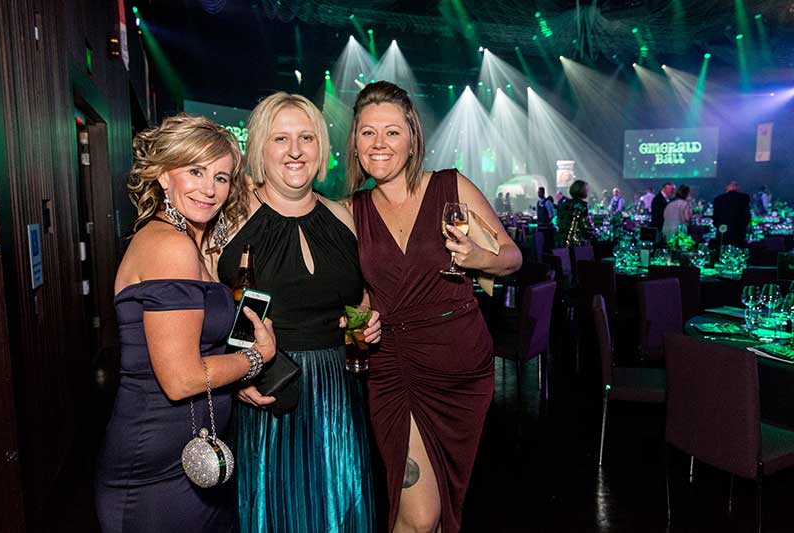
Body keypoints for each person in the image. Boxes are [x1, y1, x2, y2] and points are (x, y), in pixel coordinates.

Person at [345, 81, 522, 533]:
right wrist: (357, 328)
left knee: (443, 506)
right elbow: (357, 296)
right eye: (368, 132)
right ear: (355, 143)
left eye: (392, 132)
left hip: (461, 365)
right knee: (420, 515)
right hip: (395, 368)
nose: (379, 143)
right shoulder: (352, 210)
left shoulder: (450, 185)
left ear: (412, 139)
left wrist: (479, 257)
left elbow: (511, 257)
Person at [96, 114, 278, 532]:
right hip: (156, 469)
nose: (209, 189)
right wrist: (257, 357)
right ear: (163, 175)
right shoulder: (170, 246)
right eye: (195, 171)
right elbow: (181, 379)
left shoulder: (191, 244)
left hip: (193, 453)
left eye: (221, 177)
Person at [217, 92, 379, 532]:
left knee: (340, 510)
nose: (295, 151)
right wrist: (234, 376)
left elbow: (361, 297)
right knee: (280, 513)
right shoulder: (229, 217)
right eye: (280, 138)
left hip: (338, 391)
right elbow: (203, 309)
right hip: (269, 388)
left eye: (306, 137)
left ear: (321, 147)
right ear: (259, 147)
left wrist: (367, 322)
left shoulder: (343, 216)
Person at [556, 179, 595, 247]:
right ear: (582, 190)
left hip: (561, 240)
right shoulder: (582, 205)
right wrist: (594, 233)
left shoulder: (564, 203)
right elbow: (585, 226)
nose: (588, 191)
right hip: (575, 243)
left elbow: (559, 220)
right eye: (586, 189)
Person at [713, 180, 751, 246]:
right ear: (738, 187)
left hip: (723, 231)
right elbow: (747, 215)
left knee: (722, 248)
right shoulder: (744, 198)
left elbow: (715, 217)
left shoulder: (718, 199)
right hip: (739, 231)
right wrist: (744, 226)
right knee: (738, 249)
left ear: (727, 187)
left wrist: (719, 226)